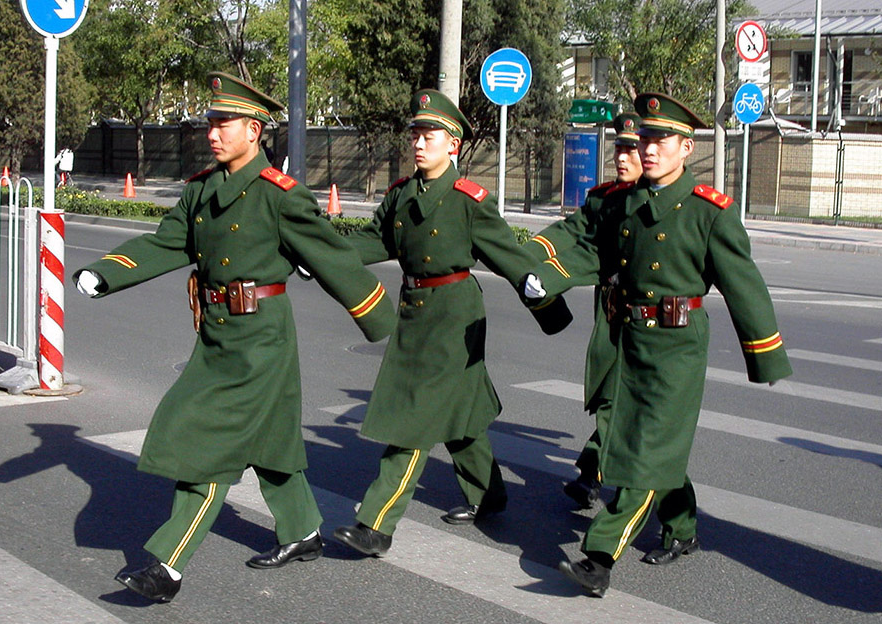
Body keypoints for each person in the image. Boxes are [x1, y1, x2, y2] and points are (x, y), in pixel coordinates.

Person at [73, 71, 396, 602]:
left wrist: (382, 321)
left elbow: (332, 255)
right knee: (269, 444)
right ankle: (304, 532)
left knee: (208, 446)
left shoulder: (280, 195)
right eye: (211, 123)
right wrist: (108, 270)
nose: (213, 133)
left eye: (225, 123)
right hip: (217, 335)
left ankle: (166, 566)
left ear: (255, 130)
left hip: (261, 341)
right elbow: (166, 243)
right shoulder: (202, 189)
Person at [523, 93, 792, 597]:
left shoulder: (708, 211)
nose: (648, 148)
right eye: (644, 138)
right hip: (630, 338)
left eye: (660, 139)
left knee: (645, 452)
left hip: (678, 346)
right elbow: (594, 254)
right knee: (647, 445)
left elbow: (743, 284)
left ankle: (599, 556)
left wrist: (765, 352)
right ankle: (683, 526)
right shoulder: (625, 203)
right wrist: (547, 276)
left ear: (687, 147)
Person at [332, 89, 562, 557]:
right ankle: (489, 493)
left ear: (452, 144)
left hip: (455, 316)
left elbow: (506, 253)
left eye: (430, 134)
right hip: (415, 310)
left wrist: (534, 288)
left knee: (415, 419)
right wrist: (322, 258)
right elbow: (371, 242)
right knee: (461, 413)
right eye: (415, 133)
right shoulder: (401, 196)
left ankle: (375, 523)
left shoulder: (468, 200)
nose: (419, 142)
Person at [524, 114, 644, 509]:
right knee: (612, 397)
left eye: (630, 149)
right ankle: (596, 472)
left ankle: (599, 478)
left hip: (651, 320)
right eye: (618, 149)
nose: (622, 158)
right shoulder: (604, 197)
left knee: (629, 409)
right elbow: (571, 233)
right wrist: (526, 258)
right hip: (611, 315)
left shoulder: (662, 200)